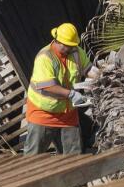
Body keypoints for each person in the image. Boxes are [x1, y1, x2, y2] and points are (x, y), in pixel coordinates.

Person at [23, 23, 91, 156]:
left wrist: (103, 76)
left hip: (68, 113)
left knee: (74, 156)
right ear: (58, 41)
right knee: (33, 156)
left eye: (73, 45)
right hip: (43, 113)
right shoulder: (45, 57)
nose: (71, 48)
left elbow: (88, 69)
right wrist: (71, 94)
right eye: (68, 46)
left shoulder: (76, 51)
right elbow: (48, 86)